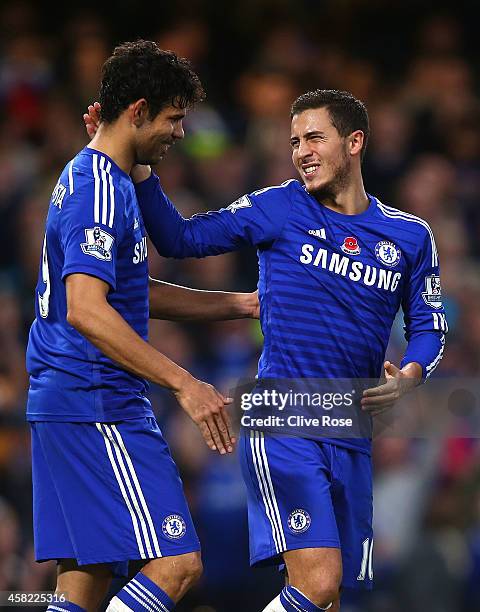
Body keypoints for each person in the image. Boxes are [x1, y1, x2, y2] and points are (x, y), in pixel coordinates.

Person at [84, 88, 448, 611]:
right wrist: (140, 168)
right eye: (295, 140)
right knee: (318, 581)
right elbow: (179, 238)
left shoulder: (409, 237)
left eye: (315, 137)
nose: (301, 150)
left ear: (355, 142)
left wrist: (410, 374)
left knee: (328, 598)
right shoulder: (277, 206)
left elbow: (430, 325)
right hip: (284, 413)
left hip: (352, 422)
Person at [26, 40, 259, 612]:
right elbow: (85, 308)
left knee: (85, 578)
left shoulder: (109, 179)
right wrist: (185, 382)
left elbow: (132, 294)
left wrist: (241, 304)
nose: (181, 131)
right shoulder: (100, 189)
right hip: (97, 402)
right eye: (174, 117)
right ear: (137, 111)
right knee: (177, 564)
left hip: (70, 400)